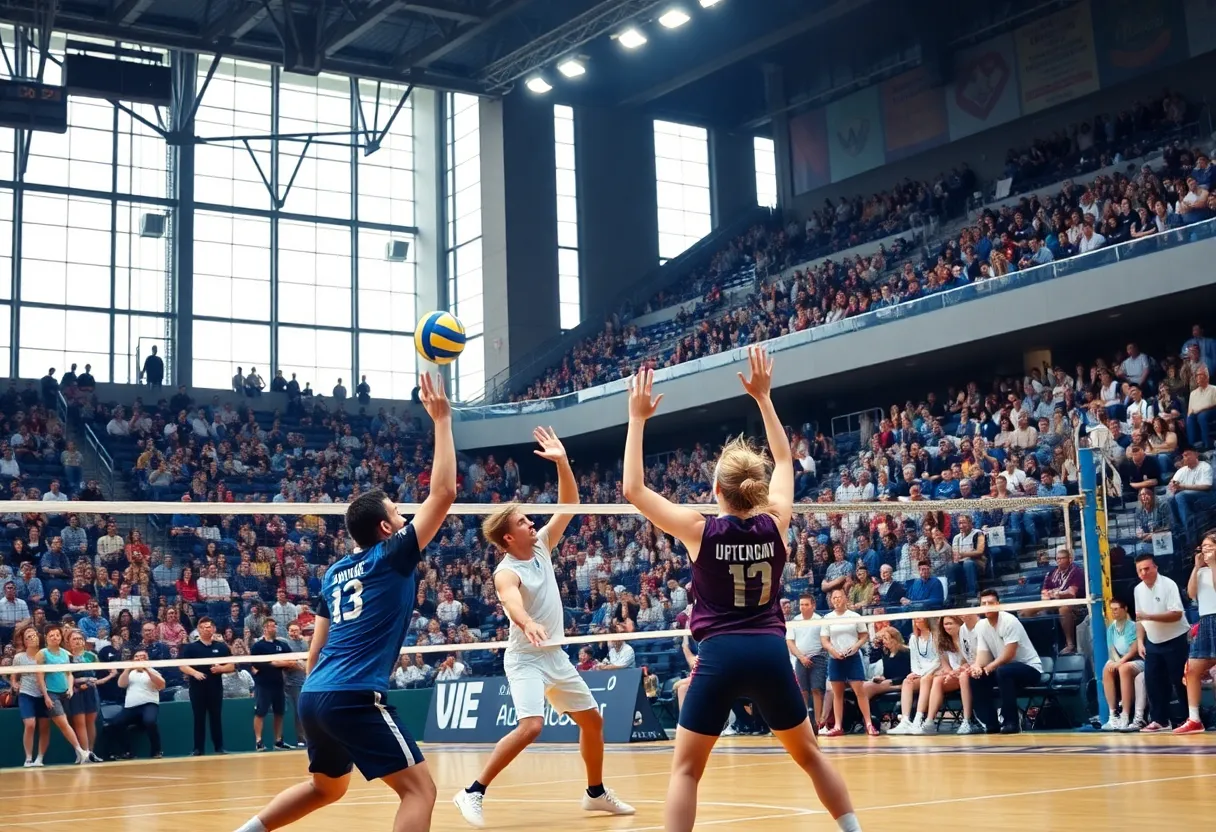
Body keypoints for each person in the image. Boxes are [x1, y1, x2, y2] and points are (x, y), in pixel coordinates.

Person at [619, 347, 861, 832]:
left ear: (717, 492)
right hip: (771, 653)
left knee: (686, 770)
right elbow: (786, 460)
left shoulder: (698, 529)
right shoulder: (777, 524)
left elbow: (633, 490)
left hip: (719, 656)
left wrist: (636, 419)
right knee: (811, 757)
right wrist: (765, 398)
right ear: (757, 489)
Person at [233, 373, 454, 832]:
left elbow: (316, 650)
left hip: (315, 695)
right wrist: (442, 420)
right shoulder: (392, 556)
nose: (406, 514)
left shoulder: (334, 573)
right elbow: (445, 493)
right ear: (387, 530)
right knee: (420, 790)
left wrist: (321, 691)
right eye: (398, 511)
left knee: (326, 788)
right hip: (353, 694)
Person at [454, 427, 634, 827]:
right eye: (522, 521)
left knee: (592, 722)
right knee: (532, 725)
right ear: (508, 535)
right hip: (525, 659)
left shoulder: (540, 546)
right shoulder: (506, 571)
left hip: (553, 654)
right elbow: (511, 601)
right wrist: (527, 620)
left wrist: (562, 461)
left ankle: (595, 793)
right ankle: (471, 793)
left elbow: (569, 503)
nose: (531, 522)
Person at [970, 589, 1043, 734]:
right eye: (983, 603)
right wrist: (978, 666)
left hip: (1030, 669)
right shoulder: (981, 625)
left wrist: (990, 666)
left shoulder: (1010, 620)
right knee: (975, 678)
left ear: (998, 604)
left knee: (1003, 671)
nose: (987, 606)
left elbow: (1009, 655)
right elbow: (983, 653)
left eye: (990, 603)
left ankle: (1011, 722)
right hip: (1002, 670)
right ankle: (990, 723)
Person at [1133, 552, 1190, 732]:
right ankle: (1160, 720)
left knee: (1180, 680)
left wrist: (1149, 616)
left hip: (1175, 639)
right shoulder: (1137, 590)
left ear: (1156, 567)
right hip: (1153, 642)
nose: (1144, 573)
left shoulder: (1168, 584)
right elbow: (1139, 620)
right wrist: (1141, 642)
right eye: (1140, 570)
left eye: (1147, 568)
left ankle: (1190, 717)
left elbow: (1176, 614)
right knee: (1153, 681)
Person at [821, 588, 874, 737]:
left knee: (860, 692)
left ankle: (869, 724)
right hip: (835, 659)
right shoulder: (827, 618)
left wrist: (855, 646)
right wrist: (833, 651)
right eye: (834, 598)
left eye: (839, 597)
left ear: (845, 598)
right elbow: (824, 640)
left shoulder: (854, 616)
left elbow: (864, 635)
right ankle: (838, 726)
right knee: (837, 694)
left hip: (853, 658)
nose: (836, 600)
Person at [1176, 534, 1216, 734]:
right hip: (1206, 620)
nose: (1205, 551)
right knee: (1191, 669)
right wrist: (1196, 567)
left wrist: (1213, 564)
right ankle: (1194, 719)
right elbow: (1191, 594)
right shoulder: (1200, 572)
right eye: (1203, 548)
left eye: (1209, 547)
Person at [179, 616, 235, 755]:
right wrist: (194, 673)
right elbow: (182, 665)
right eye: (202, 627)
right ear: (198, 630)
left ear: (214, 629)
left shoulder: (221, 647)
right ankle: (198, 749)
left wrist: (221, 669)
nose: (206, 629)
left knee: (216, 717)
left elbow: (232, 665)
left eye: (208, 627)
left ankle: (219, 748)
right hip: (197, 688)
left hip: (215, 688)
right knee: (199, 718)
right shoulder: (191, 647)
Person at [1100, 598, 1147, 732]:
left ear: (1124, 609)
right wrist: (1115, 662)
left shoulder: (1132, 626)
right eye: (1112, 609)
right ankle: (1113, 715)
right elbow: (1112, 649)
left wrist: (1120, 662)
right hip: (1119, 659)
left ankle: (1125, 715)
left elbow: (1133, 650)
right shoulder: (1111, 628)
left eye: (1116, 609)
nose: (1113, 612)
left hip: (1137, 660)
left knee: (1124, 668)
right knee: (1107, 669)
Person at [251, 618, 296, 751]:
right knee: (260, 712)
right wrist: (275, 663)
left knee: (279, 712)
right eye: (271, 626)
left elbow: (291, 660)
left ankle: (278, 741)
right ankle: (258, 741)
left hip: (279, 683)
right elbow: (257, 664)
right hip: (263, 683)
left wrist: (279, 663)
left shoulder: (281, 644)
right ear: (265, 628)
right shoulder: (258, 646)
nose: (273, 628)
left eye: (275, 626)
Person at [113, 649, 165, 758]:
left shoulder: (154, 671)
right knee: (116, 723)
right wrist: (127, 669)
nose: (139, 659)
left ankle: (156, 751)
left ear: (147, 659)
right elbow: (121, 684)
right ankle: (128, 752)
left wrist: (147, 670)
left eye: (142, 656)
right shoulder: (130, 673)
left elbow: (161, 685)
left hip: (149, 704)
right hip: (131, 707)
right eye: (137, 657)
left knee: (150, 721)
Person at [786, 592, 827, 725]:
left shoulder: (820, 620)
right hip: (800, 658)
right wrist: (801, 657)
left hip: (818, 657)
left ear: (813, 606)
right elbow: (790, 641)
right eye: (801, 605)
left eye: (806, 604)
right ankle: (804, 721)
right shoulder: (794, 621)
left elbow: (824, 639)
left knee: (817, 689)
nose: (803, 607)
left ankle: (818, 722)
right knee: (802, 690)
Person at [67, 629, 104, 762]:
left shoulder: (92, 656)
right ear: (69, 643)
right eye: (74, 639)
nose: (77, 641)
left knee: (90, 722)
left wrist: (92, 682)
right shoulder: (67, 657)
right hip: (76, 691)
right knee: (79, 722)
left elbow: (98, 673)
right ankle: (83, 753)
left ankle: (90, 753)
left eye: (80, 639)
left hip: (91, 691)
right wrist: (79, 682)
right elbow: (67, 676)